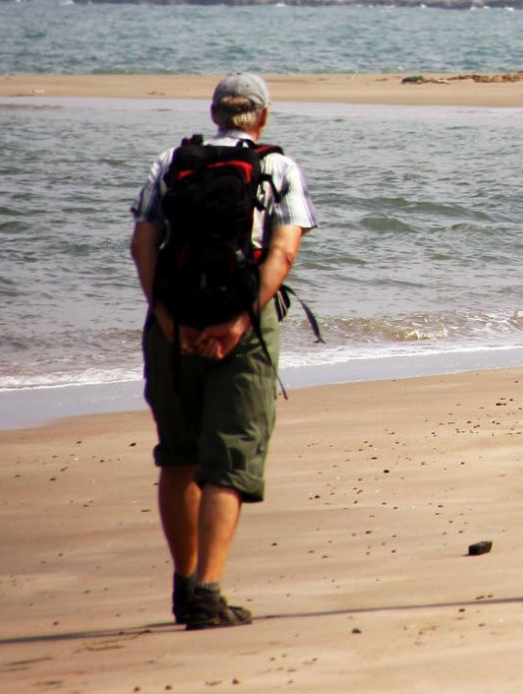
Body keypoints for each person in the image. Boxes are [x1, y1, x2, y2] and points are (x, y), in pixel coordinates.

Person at [130, 73, 315, 629]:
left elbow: (143, 241)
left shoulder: (170, 162)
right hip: (245, 333)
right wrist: (237, 322)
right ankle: (210, 593)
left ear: (213, 113)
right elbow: (281, 253)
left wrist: (166, 317)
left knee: (179, 455)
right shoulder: (277, 167)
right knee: (228, 460)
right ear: (261, 117)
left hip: (172, 330)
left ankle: (185, 587)